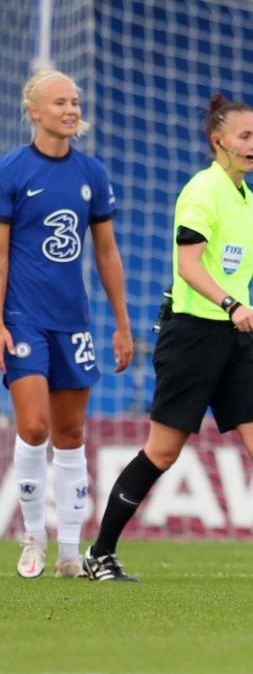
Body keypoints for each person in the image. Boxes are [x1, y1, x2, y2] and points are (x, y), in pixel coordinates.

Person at [84, 94, 253, 584]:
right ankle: (99, 554)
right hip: (192, 335)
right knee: (163, 451)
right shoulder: (202, 190)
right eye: (244, 136)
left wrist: (237, 312)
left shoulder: (246, 197)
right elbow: (188, 266)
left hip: (234, 340)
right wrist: (233, 306)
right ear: (218, 141)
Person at [3, 70, 133, 579]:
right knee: (33, 426)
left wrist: (121, 323)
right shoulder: (11, 171)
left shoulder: (92, 174)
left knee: (71, 432)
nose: (71, 110)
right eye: (60, 103)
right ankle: (33, 537)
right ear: (34, 111)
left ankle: (69, 553)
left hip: (73, 323)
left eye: (75, 101)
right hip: (23, 319)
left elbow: (105, 252)